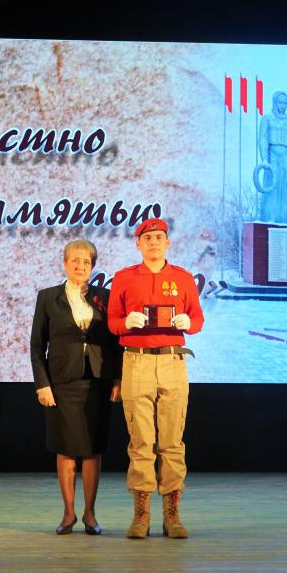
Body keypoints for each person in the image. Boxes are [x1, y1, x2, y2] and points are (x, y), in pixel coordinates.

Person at [107, 218, 204, 539]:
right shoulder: (124, 278)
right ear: (138, 244)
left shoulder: (183, 278)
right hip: (136, 361)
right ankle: (141, 515)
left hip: (173, 361)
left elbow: (198, 319)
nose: (153, 242)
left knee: (172, 441)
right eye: (147, 238)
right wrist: (125, 323)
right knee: (141, 441)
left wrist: (188, 322)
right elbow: (112, 321)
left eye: (159, 237)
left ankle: (172, 515)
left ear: (167, 243)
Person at [30, 239, 121, 535]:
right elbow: (37, 346)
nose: (81, 266)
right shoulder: (48, 297)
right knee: (66, 448)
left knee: (94, 449)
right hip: (62, 383)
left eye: (86, 262)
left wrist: (118, 379)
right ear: (65, 263)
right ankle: (68, 514)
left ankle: (90, 515)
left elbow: (116, 342)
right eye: (75, 260)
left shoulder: (105, 297)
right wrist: (42, 385)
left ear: (92, 266)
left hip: (98, 381)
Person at [257, 91, 287, 223]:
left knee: (285, 190)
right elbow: (262, 139)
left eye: (285, 103)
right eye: (280, 102)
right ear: (274, 102)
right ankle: (269, 219)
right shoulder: (267, 118)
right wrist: (264, 159)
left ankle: (282, 220)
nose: (282, 105)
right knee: (272, 188)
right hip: (272, 155)